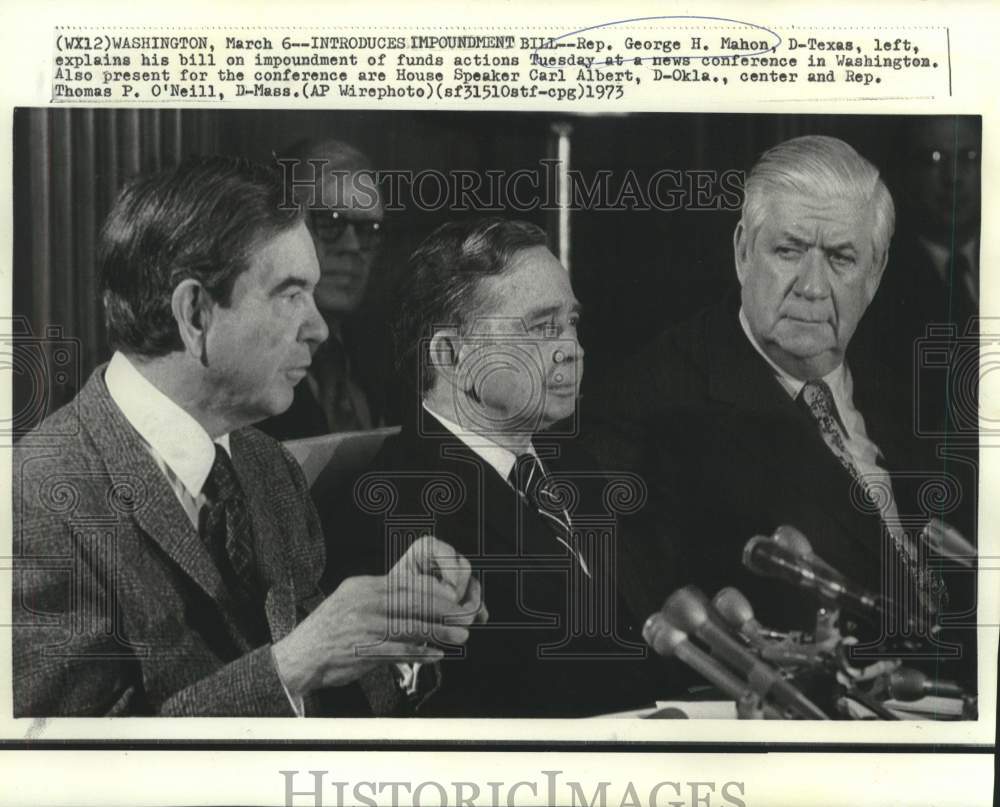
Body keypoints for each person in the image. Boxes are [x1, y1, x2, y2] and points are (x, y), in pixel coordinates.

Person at [12, 156, 483, 717]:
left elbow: (322, 701)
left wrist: (396, 624)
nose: (319, 328)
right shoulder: (34, 501)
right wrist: (293, 665)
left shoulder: (267, 466)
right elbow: (68, 762)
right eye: (290, 295)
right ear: (195, 314)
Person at [584, 136, 975, 686]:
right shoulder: (649, 404)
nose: (812, 288)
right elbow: (667, 640)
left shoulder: (920, 384)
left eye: (841, 258)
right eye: (788, 251)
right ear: (743, 251)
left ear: (877, 270)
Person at [320, 218, 676, 717]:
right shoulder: (395, 513)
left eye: (572, 323)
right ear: (451, 354)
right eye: (542, 327)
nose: (573, 350)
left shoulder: (574, 463)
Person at [258, 138, 390, 439]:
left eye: (368, 230)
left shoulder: (385, 356)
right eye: (330, 222)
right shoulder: (249, 364)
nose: (352, 246)